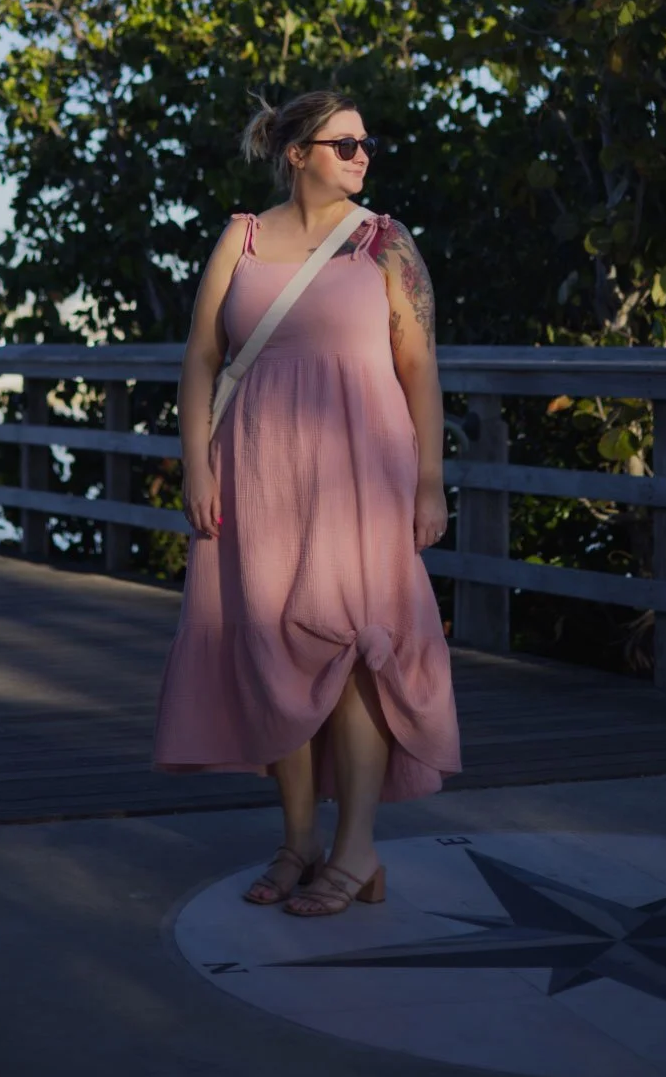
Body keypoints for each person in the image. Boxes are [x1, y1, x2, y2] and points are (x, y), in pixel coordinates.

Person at [153, 88, 460, 917]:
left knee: (354, 650)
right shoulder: (242, 239)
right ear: (297, 154)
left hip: (363, 476)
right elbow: (200, 357)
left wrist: (430, 480)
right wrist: (196, 467)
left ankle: (356, 852)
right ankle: (299, 842)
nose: (363, 155)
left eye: (368, 142)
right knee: (270, 654)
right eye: (345, 143)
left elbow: (420, 367)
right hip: (255, 475)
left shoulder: (384, 244)